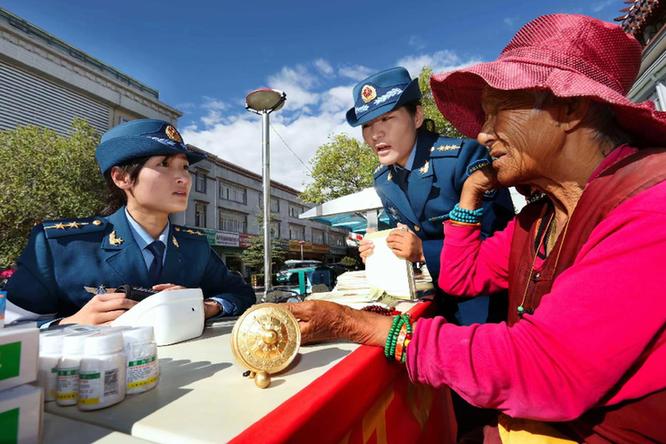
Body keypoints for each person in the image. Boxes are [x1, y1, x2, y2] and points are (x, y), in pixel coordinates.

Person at [288, 14, 666, 443]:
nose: (483, 134)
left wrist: (366, 327)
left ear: (570, 107)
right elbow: (460, 276)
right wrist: (468, 200)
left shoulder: (652, 204)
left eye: (498, 110)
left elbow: (544, 371)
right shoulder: (540, 219)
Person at [5, 119, 255, 327]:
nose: (183, 178)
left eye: (185, 167)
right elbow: (12, 329)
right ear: (122, 177)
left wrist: (204, 306)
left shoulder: (195, 246)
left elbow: (242, 295)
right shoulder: (59, 246)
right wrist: (70, 323)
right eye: (164, 164)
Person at [346, 67, 514, 325]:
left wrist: (424, 251)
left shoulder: (463, 158)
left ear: (417, 118)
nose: (375, 133)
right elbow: (406, 233)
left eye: (387, 119)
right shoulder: (383, 180)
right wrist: (381, 250)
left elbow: (500, 241)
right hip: (438, 300)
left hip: (487, 304)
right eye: (367, 125)